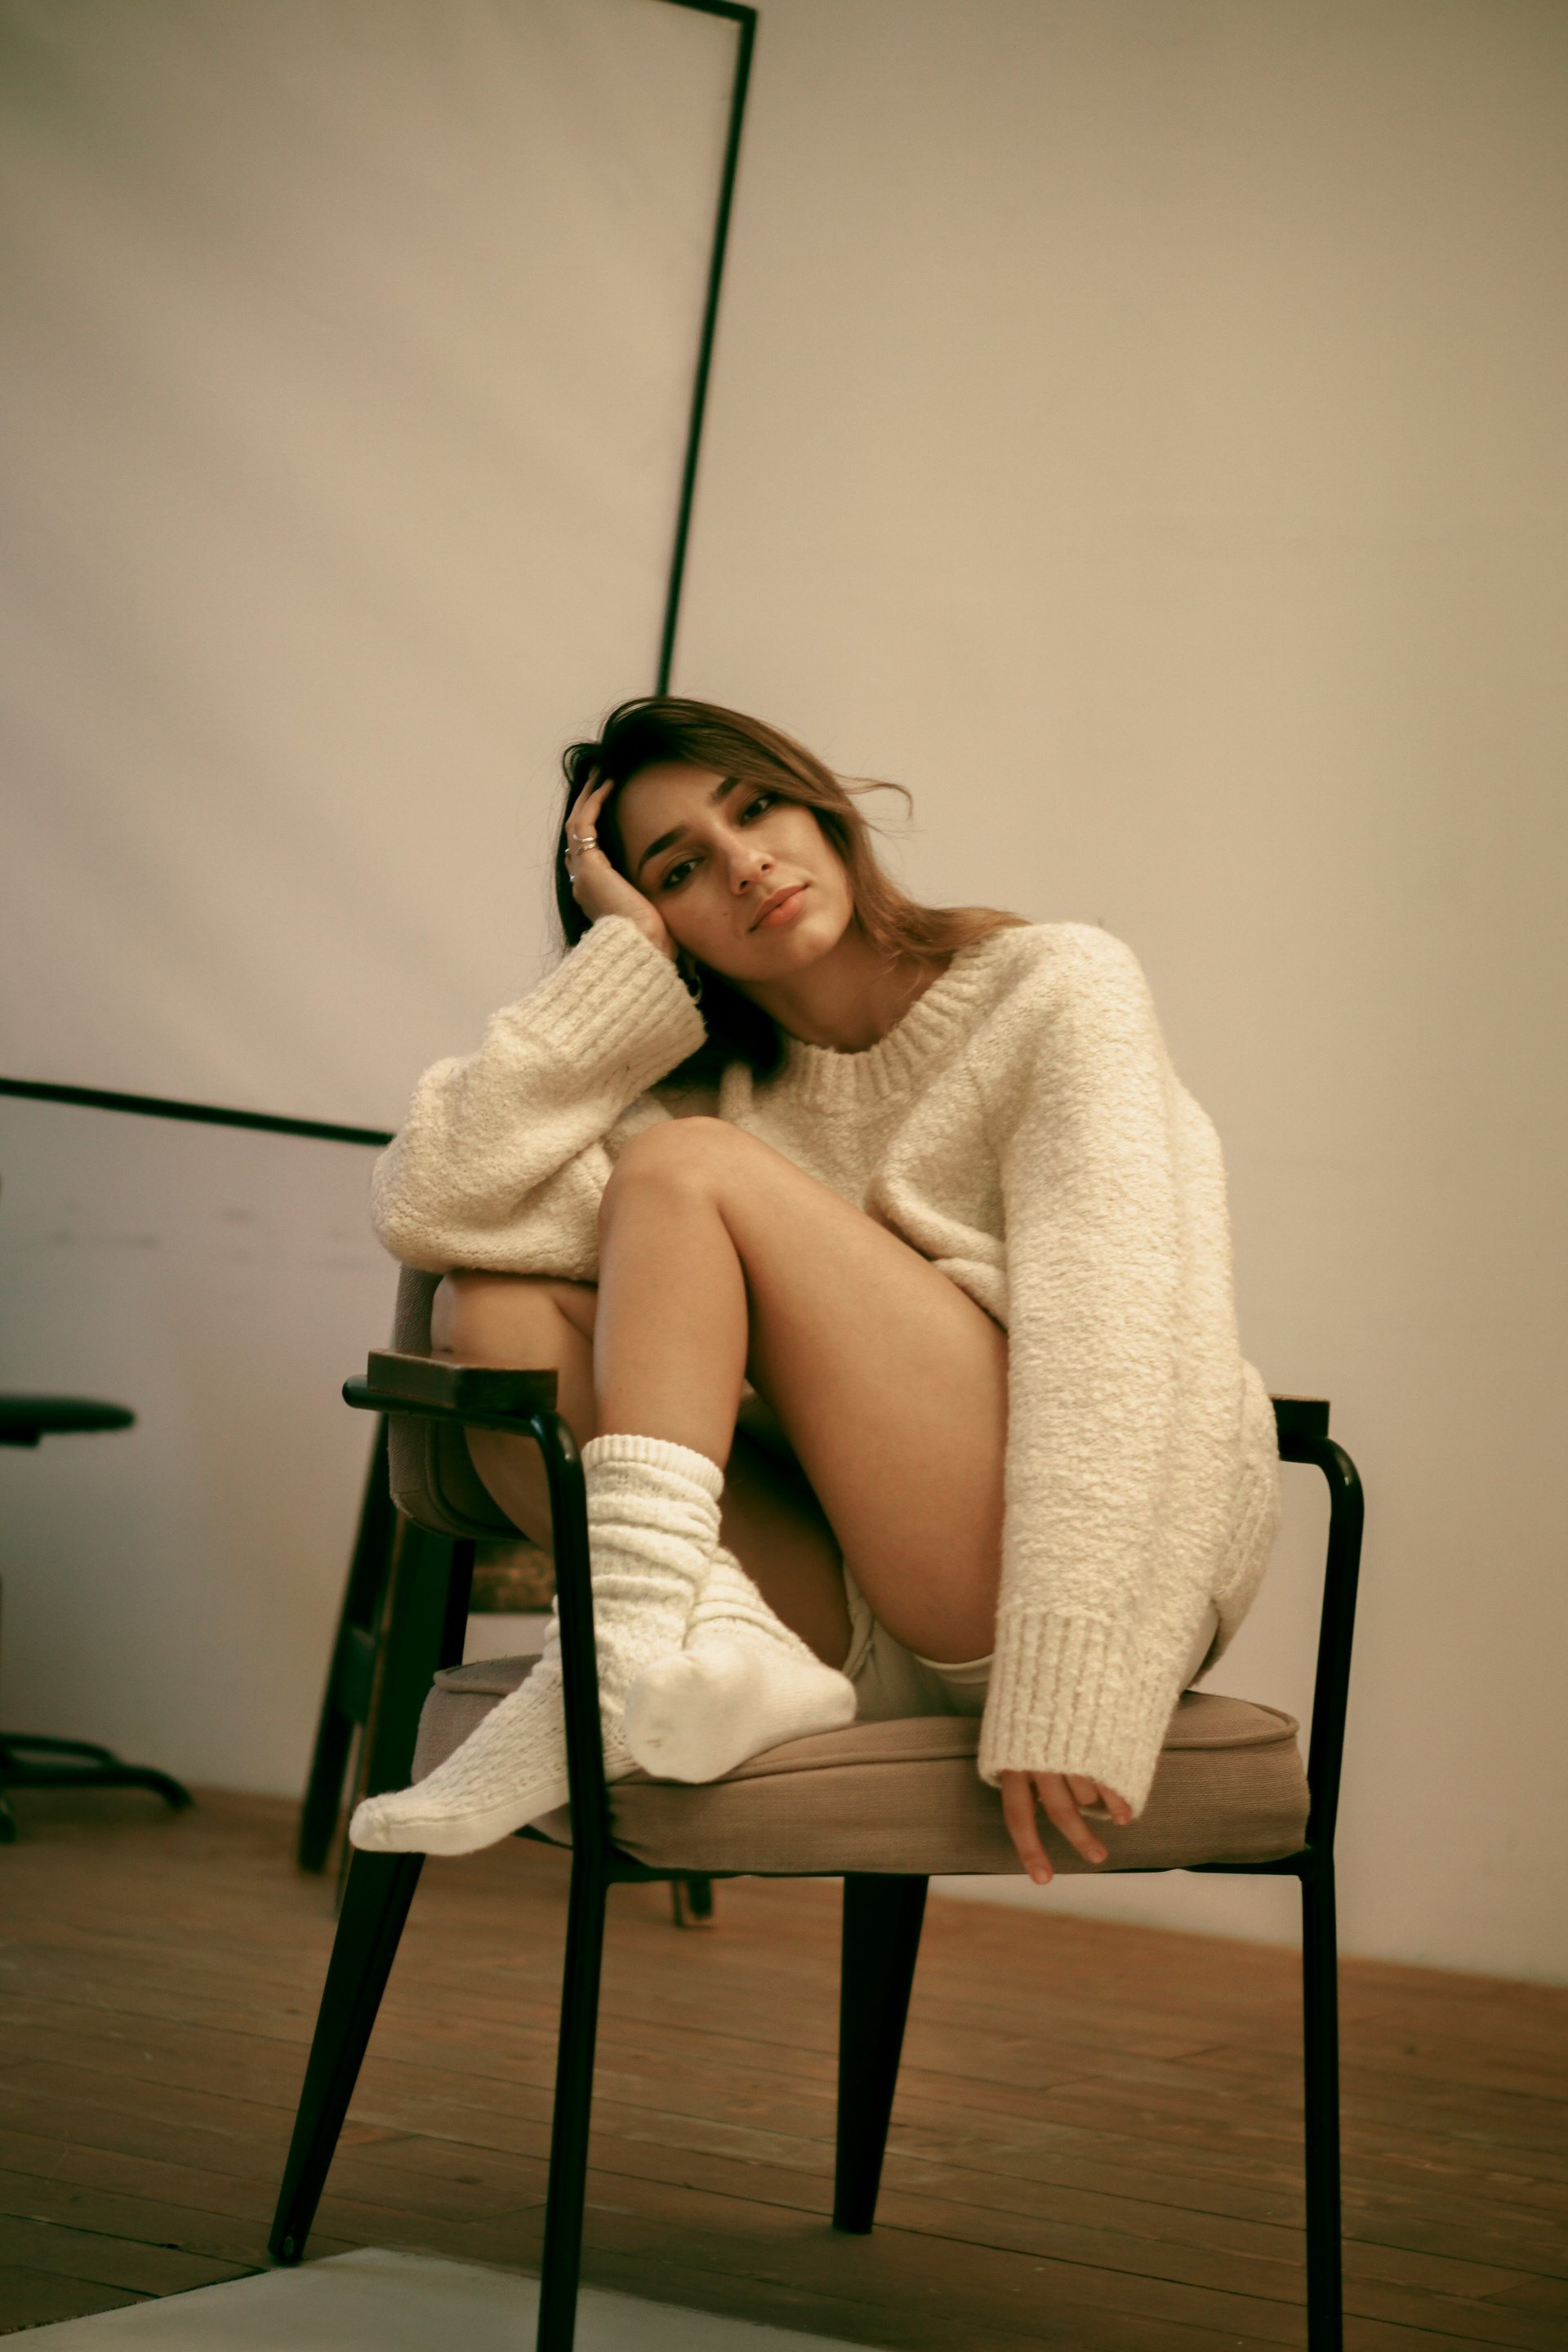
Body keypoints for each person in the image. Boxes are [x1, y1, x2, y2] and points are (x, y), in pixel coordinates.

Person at [350, 697, 1279, 1879]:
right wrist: (620, 964)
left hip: (1031, 1580)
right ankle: (701, 1635)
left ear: (825, 810)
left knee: (684, 1170)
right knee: (492, 1310)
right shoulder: (698, 1094)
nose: (744, 864)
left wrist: (1073, 1674)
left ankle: (620, 1651)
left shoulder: (1052, 986)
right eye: (680, 868)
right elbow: (435, 1202)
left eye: (756, 809)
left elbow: (1126, 1333)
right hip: (827, 1604)